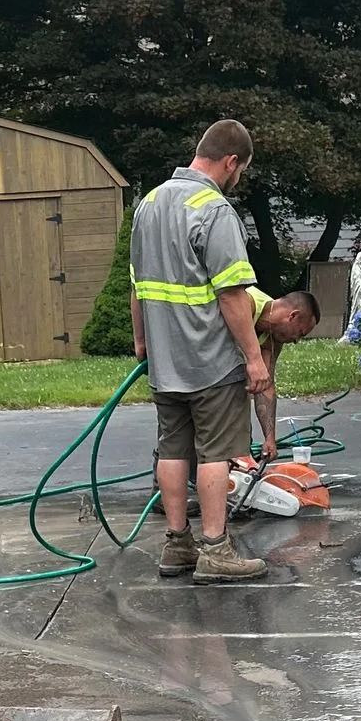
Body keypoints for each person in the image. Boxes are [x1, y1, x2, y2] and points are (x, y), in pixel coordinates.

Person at [130, 118, 277, 583]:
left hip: (165, 360)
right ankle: (216, 550)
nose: (239, 180)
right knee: (216, 452)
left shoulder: (148, 204)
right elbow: (233, 295)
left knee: (172, 448)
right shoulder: (213, 210)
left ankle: (178, 545)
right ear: (231, 161)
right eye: (241, 171)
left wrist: (141, 342)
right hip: (210, 360)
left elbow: (136, 288)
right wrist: (255, 358)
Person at [343, 247, 361, 341]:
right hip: (358, 292)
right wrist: (360, 289)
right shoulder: (356, 268)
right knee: (356, 307)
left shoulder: (359, 267)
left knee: (360, 307)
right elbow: (357, 282)